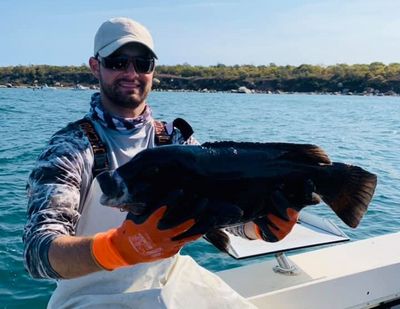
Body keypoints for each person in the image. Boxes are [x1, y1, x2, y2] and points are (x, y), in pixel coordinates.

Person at [23, 17, 314, 308]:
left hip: (171, 281)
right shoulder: (69, 149)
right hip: (90, 298)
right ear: (95, 66)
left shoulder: (175, 139)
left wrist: (259, 227)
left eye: (142, 63)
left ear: (153, 70)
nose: (131, 72)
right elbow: (38, 252)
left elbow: (218, 214)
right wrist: (115, 249)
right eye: (118, 62)